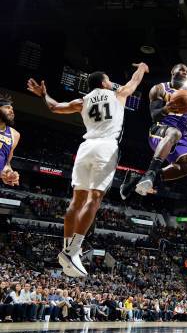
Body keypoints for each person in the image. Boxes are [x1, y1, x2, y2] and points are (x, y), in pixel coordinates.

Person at [27, 62, 149, 277]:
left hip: (85, 148)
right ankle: (73, 250)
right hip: (106, 147)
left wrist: (44, 94)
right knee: (94, 199)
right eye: (109, 79)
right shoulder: (118, 94)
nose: (111, 82)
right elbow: (135, 81)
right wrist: (142, 68)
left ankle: (68, 250)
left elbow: (55, 107)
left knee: (77, 201)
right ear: (103, 82)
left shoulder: (82, 101)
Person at [120, 63, 187, 198]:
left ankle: (136, 180)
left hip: (181, 138)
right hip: (159, 131)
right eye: (181, 69)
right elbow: (154, 115)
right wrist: (167, 109)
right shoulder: (159, 89)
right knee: (174, 132)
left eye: (186, 71)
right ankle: (151, 173)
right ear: (172, 71)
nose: (184, 72)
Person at [0, 93, 20, 187]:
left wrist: (9, 174)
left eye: (12, 109)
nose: (12, 111)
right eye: (8, 107)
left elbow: (6, 164)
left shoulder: (14, 135)